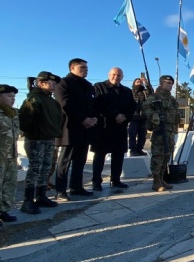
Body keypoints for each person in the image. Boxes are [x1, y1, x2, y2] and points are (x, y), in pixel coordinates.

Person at [19, 72, 63, 214]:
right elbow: (25, 121)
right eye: (50, 83)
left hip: (49, 139)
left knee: (46, 167)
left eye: (55, 84)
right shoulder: (34, 99)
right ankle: (27, 201)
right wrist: (33, 133)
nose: (53, 85)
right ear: (40, 83)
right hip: (35, 139)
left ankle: (41, 196)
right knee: (35, 168)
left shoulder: (52, 101)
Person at [54, 58, 97, 201]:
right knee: (65, 160)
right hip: (70, 128)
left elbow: (92, 104)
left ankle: (76, 187)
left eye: (86, 67)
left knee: (80, 160)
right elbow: (65, 104)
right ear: (72, 68)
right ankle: (60, 190)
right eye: (82, 67)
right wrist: (83, 119)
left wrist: (93, 118)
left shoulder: (88, 85)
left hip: (85, 129)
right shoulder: (64, 83)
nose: (86, 69)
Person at [90, 68, 136, 191]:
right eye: (114, 74)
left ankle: (115, 179)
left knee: (119, 154)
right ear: (109, 75)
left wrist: (124, 117)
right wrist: (115, 115)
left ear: (122, 77)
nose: (116, 77)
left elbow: (132, 107)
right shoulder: (99, 86)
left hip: (120, 127)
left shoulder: (126, 91)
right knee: (100, 155)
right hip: (104, 127)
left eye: (119, 75)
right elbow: (99, 104)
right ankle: (96, 181)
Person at [143, 75, 179, 192]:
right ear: (161, 83)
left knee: (166, 155)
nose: (169, 85)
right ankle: (156, 181)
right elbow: (145, 108)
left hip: (170, 131)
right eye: (167, 82)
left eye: (171, 83)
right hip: (159, 130)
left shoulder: (172, 99)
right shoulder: (155, 96)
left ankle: (162, 178)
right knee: (158, 156)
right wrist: (155, 116)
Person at [0, 84, 20, 225]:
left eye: (14, 96)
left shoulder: (13, 113)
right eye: (9, 96)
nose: (12, 99)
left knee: (9, 184)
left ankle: (3, 211)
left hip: (10, 155)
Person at [128, 77, 149, 156]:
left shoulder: (145, 92)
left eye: (140, 82)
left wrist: (147, 83)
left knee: (142, 135)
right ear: (134, 83)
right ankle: (133, 150)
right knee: (132, 134)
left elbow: (151, 93)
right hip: (133, 116)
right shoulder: (131, 92)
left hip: (143, 116)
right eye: (137, 82)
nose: (139, 83)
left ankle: (139, 149)